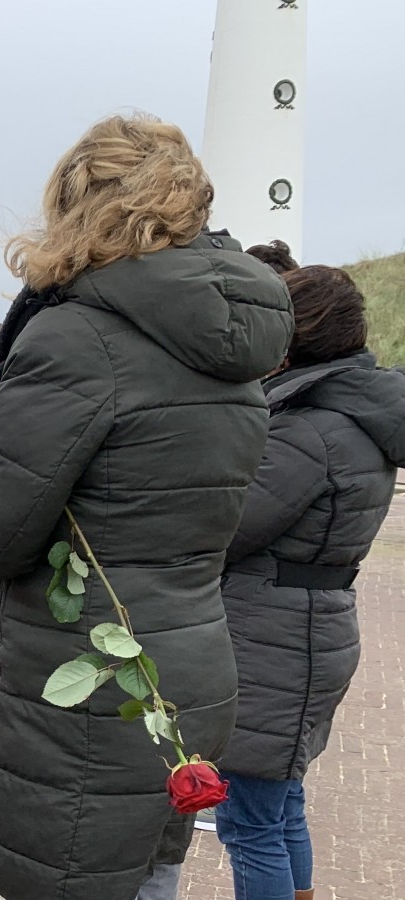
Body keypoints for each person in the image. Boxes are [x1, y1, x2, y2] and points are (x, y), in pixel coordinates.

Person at [0, 113, 293, 900]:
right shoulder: (231, 347)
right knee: (151, 877)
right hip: (188, 668)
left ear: (79, 201)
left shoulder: (79, 337)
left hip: (90, 694)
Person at [209, 266, 405, 900]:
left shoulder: (312, 430)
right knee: (279, 805)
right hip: (307, 627)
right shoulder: (353, 416)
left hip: (275, 640)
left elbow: (228, 527)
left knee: (251, 824)